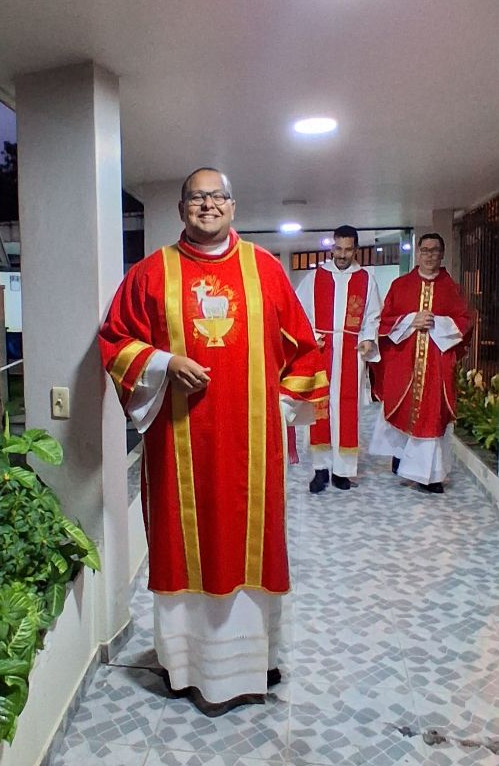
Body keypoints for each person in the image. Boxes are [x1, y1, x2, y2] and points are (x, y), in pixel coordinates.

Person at [99, 167, 327, 714]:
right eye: (196, 198)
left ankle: (255, 662)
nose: (208, 205)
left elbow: (305, 351)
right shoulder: (151, 274)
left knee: (251, 547)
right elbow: (114, 339)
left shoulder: (265, 270)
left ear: (232, 205)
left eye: (217, 196)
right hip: (179, 448)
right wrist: (162, 362)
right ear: (181, 209)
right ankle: (185, 668)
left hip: (253, 449)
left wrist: (276, 406)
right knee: (185, 547)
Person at [369, 233, 473, 493]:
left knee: (432, 417)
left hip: (437, 366)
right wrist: (410, 321)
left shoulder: (451, 288)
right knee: (402, 409)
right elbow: (383, 322)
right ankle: (402, 461)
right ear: (417, 253)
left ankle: (431, 475)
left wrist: (437, 323)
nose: (429, 255)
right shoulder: (401, 285)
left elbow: (465, 322)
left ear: (442, 254)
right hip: (404, 362)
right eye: (424, 250)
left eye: (434, 250)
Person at [296, 225, 381, 493]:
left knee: (346, 409)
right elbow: (299, 313)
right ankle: (320, 469)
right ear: (332, 247)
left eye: (348, 250)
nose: (342, 255)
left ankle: (342, 471)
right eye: (338, 249)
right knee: (319, 409)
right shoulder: (315, 278)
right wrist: (311, 337)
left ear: (356, 249)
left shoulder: (366, 279)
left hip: (351, 353)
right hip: (322, 351)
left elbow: (373, 316)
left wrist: (368, 338)